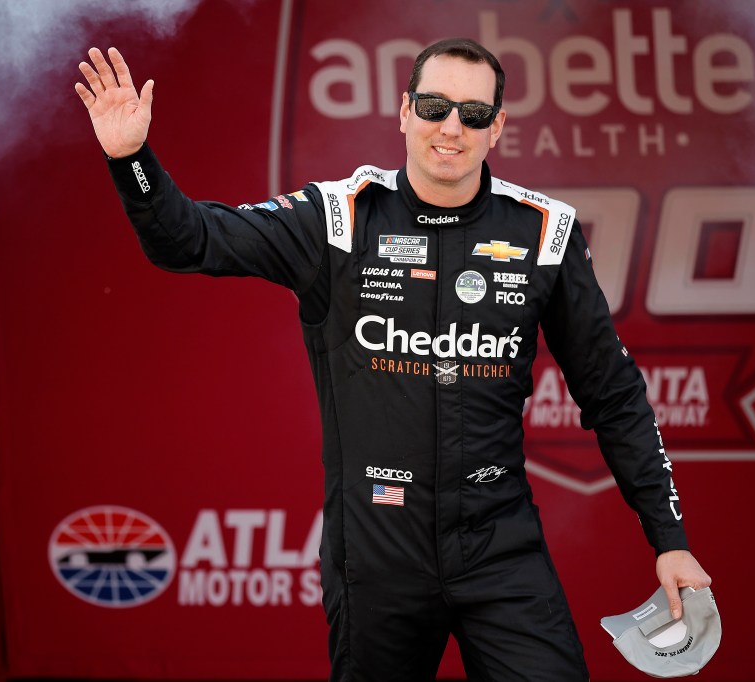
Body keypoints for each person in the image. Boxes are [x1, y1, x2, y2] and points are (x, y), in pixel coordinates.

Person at [75, 38, 711, 682]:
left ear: (498, 129)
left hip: (499, 547)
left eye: (474, 114)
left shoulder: (542, 232)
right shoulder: (337, 218)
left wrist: (670, 540)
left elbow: (615, 394)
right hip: (377, 555)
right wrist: (131, 158)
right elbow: (188, 240)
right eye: (435, 106)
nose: (451, 127)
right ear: (404, 110)